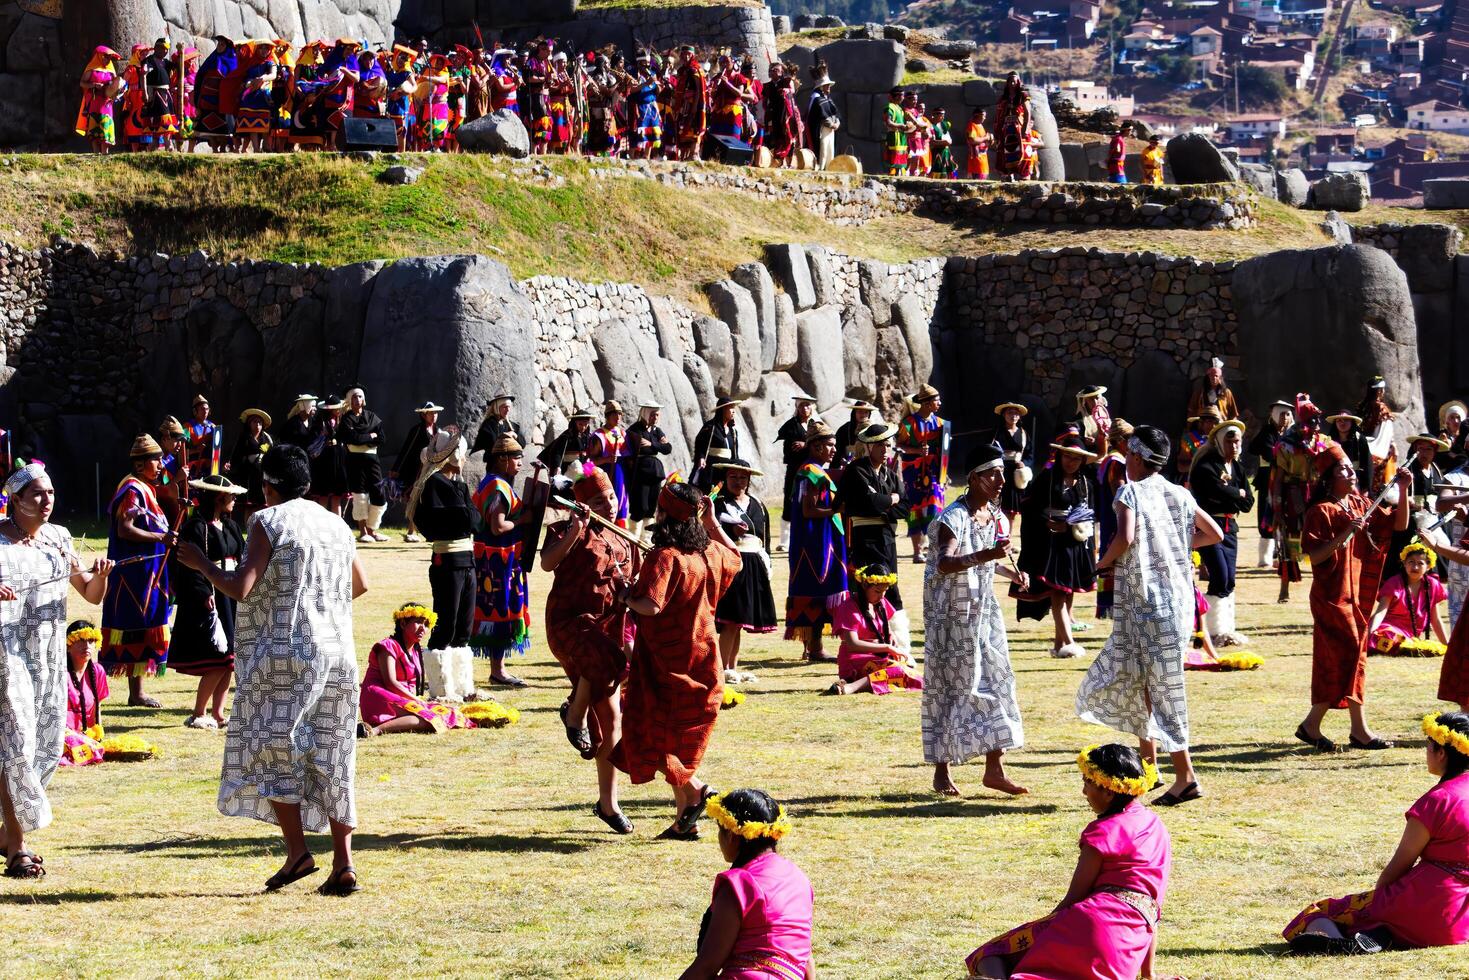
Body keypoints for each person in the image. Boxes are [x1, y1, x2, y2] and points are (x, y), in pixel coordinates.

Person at [178, 444, 366, 896]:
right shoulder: (336, 524)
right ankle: (344, 863)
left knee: (275, 747)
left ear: (269, 486)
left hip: (285, 656)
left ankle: (298, 851)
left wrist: (200, 564)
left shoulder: (268, 521)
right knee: (334, 751)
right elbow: (361, 584)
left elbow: (242, 587)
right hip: (338, 653)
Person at [1079, 426, 1223, 805]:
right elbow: (1214, 534)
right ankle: (1150, 766)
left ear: (1138, 458)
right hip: (1176, 603)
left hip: (1147, 604)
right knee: (1147, 683)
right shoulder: (1179, 493)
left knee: (1161, 689)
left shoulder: (1130, 492)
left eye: (1128, 454)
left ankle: (1186, 777)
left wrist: (1099, 566)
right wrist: (1171, 542)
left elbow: (1125, 538)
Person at [966, 744, 1170, 980]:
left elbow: (1074, 897)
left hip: (1089, 923)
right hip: (1129, 941)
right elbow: (1152, 908)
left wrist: (1046, 930)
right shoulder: (1155, 825)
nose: (1084, 792)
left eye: (1087, 783)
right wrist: (1148, 974)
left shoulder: (1101, 832)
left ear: (1109, 792)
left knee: (989, 954)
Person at [0, 463, 113, 877]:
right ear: (14, 500)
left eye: (50, 493)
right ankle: (18, 847)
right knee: (16, 746)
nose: (46, 501)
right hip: (7, 657)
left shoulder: (59, 539)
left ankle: (7, 835)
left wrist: (100, 576)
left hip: (48, 660)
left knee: (44, 746)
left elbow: (90, 593)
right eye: (36, 495)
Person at [1284, 710, 1469, 955]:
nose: (1426, 753)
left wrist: (1380, 897)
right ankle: (1380, 933)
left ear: (1442, 752)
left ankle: (1348, 938)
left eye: (1428, 746)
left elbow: (1401, 864)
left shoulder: (1436, 801)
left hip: (1428, 907)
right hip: (1462, 922)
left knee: (1320, 912)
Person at [617, 481, 740, 840]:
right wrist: (713, 522)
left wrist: (626, 596)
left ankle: (698, 790)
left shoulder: (666, 557)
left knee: (650, 738)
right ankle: (686, 821)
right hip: (703, 662)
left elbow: (651, 605)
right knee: (677, 742)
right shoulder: (710, 553)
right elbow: (737, 556)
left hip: (667, 667)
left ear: (664, 514)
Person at [923, 445, 1029, 797]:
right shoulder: (954, 516)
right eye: (992, 475)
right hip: (952, 618)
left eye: (1001, 474)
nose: (1000, 481)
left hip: (984, 613)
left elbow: (986, 561)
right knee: (953, 688)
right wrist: (988, 555)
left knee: (997, 680)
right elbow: (946, 562)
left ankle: (994, 769)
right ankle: (942, 769)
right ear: (973, 478)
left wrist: (1010, 573)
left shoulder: (996, 515)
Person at [1294, 444, 1412, 753]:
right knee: (1349, 654)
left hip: (1358, 596)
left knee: (1344, 659)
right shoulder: (1320, 511)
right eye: (1344, 469)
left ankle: (1318, 726)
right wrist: (1345, 533)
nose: (1351, 473)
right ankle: (1350, 729)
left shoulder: (1360, 503)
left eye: (1350, 468)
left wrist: (1403, 490)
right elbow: (1315, 557)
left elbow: (1398, 525)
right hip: (1331, 597)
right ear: (1330, 478)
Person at [540, 468, 639, 832]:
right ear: (581, 503)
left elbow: (632, 589)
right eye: (599, 501)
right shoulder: (564, 529)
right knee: (609, 660)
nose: (608, 505)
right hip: (569, 624)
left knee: (612, 719)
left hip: (608, 631)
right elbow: (548, 562)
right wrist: (577, 530)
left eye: (611, 497)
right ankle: (574, 714)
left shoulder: (624, 538)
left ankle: (608, 804)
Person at [678, 789, 813, 980]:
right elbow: (805, 956)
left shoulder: (739, 885)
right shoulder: (798, 878)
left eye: (720, 829)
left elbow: (707, 965)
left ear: (732, 836)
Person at [100, 434, 176, 706]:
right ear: (141, 464)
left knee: (143, 625)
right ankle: (137, 693)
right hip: (134, 574)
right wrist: (160, 539)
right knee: (135, 624)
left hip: (148, 572)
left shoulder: (145, 488)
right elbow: (125, 528)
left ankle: (137, 693)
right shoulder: (132, 489)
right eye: (156, 460)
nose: (160, 465)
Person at [168, 474, 246, 730]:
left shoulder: (231, 526)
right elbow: (186, 564)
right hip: (210, 596)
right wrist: (203, 592)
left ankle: (219, 713)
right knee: (217, 658)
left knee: (229, 660)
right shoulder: (196, 527)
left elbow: (243, 556)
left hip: (230, 593)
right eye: (230, 495)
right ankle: (199, 712)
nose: (234, 499)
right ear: (219, 497)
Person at [1017, 433, 1097, 659]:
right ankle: (1070, 643)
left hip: (1074, 544)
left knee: (1068, 592)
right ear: (1060, 456)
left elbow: (1090, 516)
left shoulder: (1086, 485)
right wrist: (1047, 523)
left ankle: (1058, 644)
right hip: (1049, 544)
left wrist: (1076, 533)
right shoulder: (1046, 479)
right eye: (1067, 456)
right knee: (1058, 593)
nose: (1071, 462)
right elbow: (1030, 507)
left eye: (1076, 458)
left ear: (1082, 461)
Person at [470, 435, 531, 687]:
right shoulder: (497, 486)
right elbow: (497, 526)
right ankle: (498, 670)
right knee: (500, 610)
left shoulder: (495, 482)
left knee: (500, 609)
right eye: (516, 458)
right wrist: (522, 521)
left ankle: (499, 669)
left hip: (498, 559)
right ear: (502, 459)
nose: (519, 462)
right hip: (498, 562)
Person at [357, 603, 471, 737]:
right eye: (418, 622)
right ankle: (375, 730)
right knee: (428, 718)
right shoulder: (387, 646)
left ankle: (384, 726)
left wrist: (417, 700)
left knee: (448, 713)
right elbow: (390, 683)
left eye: (426, 624)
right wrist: (417, 700)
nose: (423, 628)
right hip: (379, 695)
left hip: (401, 696)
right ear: (403, 624)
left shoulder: (416, 650)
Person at [785, 421, 847, 662]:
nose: (834, 450)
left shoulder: (811, 470)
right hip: (815, 542)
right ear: (816, 446)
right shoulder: (811, 471)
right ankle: (814, 648)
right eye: (830, 445)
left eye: (834, 445)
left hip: (818, 538)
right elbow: (809, 511)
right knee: (816, 587)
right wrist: (837, 509)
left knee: (817, 588)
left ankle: (813, 646)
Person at [1190, 419, 1255, 646]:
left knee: (1229, 580)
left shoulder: (1237, 467)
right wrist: (1237, 494)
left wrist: (1233, 494)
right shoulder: (1206, 464)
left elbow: (1249, 501)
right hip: (1209, 527)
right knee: (1219, 575)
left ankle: (1227, 630)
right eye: (1230, 441)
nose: (1235, 446)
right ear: (1218, 441)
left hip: (1230, 528)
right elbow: (1212, 489)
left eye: (1238, 442)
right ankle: (1211, 632)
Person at [711, 460, 776, 686]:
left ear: (749, 481)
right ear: (725, 479)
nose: (738, 482)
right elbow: (708, 529)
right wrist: (731, 530)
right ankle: (719, 668)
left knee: (738, 623)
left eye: (742, 478)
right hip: (731, 563)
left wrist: (766, 562)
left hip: (754, 563)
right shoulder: (717, 504)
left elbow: (764, 537)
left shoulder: (757, 504)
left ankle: (732, 667)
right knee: (730, 620)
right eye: (733, 477)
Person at [838, 422, 906, 623]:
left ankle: (894, 635)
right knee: (869, 583)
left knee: (891, 583)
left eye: (887, 445)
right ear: (869, 447)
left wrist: (884, 503)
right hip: (865, 536)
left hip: (887, 536)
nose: (885, 450)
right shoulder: (856, 470)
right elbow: (870, 502)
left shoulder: (890, 474)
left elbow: (905, 507)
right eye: (880, 445)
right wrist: (891, 499)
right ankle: (866, 632)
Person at [825, 563, 922, 697]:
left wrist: (891, 639)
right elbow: (853, 645)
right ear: (864, 586)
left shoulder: (881, 604)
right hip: (854, 660)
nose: (882, 596)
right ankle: (852, 686)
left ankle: (858, 684)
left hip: (879, 658)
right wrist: (887, 647)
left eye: (885, 591)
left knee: (912, 674)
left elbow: (886, 630)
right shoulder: (848, 607)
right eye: (877, 591)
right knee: (900, 671)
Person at [1272, 398, 1331, 602]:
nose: (1316, 423)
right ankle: (1284, 589)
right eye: (1312, 419)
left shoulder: (1324, 441)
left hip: (1317, 494)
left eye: (1318, 419)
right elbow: (1278, 479)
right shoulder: (1287, 444)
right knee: (1291, 543)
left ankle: (1322, 585)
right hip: (1293, 494)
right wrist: (1278, 508)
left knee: (1320, 540)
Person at [1368, 541, 1449, 656]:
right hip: (1388, 629)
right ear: (1404, 563)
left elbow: (1435, 619)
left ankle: (1407, 646)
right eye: (1411, 562)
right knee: (1386, 637)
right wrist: (1370, 632)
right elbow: (1380, 613)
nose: (1415, 567)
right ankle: (1405, 647)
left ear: (1428, 567)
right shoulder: (1394, 583)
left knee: (1401, 643)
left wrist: (1447, 645)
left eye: (1420, 563)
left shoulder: (1433, 584)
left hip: (1410, 635)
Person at [897, 384, 947, 564]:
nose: (939, 403)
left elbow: (944, 451)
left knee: (935, 507)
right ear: (926, 403)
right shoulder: (908, 424)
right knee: (915, 509)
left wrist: (944, 471)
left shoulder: (941, 424)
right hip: (913, 472)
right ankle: (917, 552)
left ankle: (934, 550)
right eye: (936, 400)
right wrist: (916, 451)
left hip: (934, 472)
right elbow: (898, 445)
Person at [1094, 418, 1133, 620]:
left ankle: (1111, 606)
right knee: (1115, 560)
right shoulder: (1116, 463)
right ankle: (1113, 606)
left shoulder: (1112, 460)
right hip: (1116, 521)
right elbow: (1120, 494)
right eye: (1130, 440)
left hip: (1111, 520)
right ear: (1121, 441)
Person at [338, 387, 388, 543]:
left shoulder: (372, 417)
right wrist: (369, 435)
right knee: (359, 494)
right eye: (354, 397)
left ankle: (373, 530)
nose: (357, 399)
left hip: (372, 459)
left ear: (363, 399)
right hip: (355, 459)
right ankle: (362, 531)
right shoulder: (346, 419)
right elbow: (352, 438)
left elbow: (381, 438)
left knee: (378, 493)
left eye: (359, 397)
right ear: (349, 400)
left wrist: (362, 436)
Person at [390, 400, 442, 543]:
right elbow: (406, 450)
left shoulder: (439, 431)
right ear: (424, 415)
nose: (434, 416)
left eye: (436, 413)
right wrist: (396, 469)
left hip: (433, 471)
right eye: (431, 413)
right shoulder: (417, 430)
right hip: (416, 470)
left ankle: (430, 531)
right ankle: (411, 531)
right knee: (414, 499)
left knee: (430, 499)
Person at [1250, 400, 1293, 569]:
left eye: (1288, 414)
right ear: (1274, 415)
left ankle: (1282, 555)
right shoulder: (1267, 432)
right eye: (1281, 414)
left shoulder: (1292, 433)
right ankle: (1265, 557)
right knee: (1265, 515)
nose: (1285, 418)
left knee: (1287, 516)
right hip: (1268, 479)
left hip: (1288, 481)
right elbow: (1265, 453)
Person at [62, 621, 108, 766]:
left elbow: (97, 707)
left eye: (91, 640)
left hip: (85, 735)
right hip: (61, 733)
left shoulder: (98, 671)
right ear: (68, 646)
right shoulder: (60, 673)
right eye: (81, 640)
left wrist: (98, 736)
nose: (87, 645)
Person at [626, 402, 673, 542]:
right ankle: (633, 539)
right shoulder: (635, 429)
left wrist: (652, 444)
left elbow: (668, 449)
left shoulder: (657, 431)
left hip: (655, 472)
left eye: (657, 415)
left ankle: (646, 540)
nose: (655, 417)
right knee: (640, 506)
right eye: (653, 414)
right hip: (641, 471)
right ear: (646, 414)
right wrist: (659, 445)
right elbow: (640, 447)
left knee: (652, 507)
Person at [777, 394, 817, 554]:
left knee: (812, 500)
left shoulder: (816, 425)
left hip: (812, 470)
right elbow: (788, 448)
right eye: (801, 406)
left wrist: (806, 445)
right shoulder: (790, 426)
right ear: (797, 408)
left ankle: (809, 537)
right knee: (790, 500)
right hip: (795, 469)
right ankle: (784, 542)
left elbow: (821, 442)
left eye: (807, 405)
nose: (804, 409)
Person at [77, 46, 125, 154]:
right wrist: (93, 85)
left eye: (109, 57)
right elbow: (82, 83)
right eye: (105, 57)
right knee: (94, 125)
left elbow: (115, 86)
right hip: (94, 100)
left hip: (106, 102)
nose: (107, 59)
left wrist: (117, 91)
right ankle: (95, 152)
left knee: (106, 125)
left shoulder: (111, 71)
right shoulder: (91, 69)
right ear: (99, 56)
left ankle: (105, 153)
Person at [229, 408, 273, 523]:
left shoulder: (266, 438)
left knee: (260, 505)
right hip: (247, 476)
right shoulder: (244, 438)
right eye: (254, 422)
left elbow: (270, 454)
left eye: (259, 422)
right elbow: (236, 456)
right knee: (249, 505)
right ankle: (248, 527)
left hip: (261, 476)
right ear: (249, 424)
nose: (257, 425)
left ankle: (258, 526)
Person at [310, 396, 350, 518]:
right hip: (325, 458)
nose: (338, 410)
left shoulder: (342, 420)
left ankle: (338, 525)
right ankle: (321, 524)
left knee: (337, 495)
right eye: (335, 408)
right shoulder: (320, 421)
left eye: (339, 408)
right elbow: (314, 437)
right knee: (324, 494)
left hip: (339, 457)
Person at [991, 403, 1032, 521]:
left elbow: (1030, 453)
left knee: (1012, 510)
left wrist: (1025, 463)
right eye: (1010, 413)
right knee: (997, 505)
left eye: (1016, 413)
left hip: (1017, 474)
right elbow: (990, 450)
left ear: (1019, 416)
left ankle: (1007, 535)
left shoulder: (1024, 433)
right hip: (1001, 471)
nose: (1013, 416)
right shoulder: (997, 432)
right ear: (1003, 415)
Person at [1359, 375, 1397, 497]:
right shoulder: (1382, 409)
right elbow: (1385, 435)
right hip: (1378, 452)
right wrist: (1392, 446)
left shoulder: (1361, 407)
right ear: (1380, 391)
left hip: (1361, 449)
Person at [692, 397, 741, 493]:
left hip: (727, 471)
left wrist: (736, 467)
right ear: (723, 410)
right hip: (711, 470)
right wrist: (701, 457)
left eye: (733, 408)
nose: (733, 411)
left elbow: (735, 453)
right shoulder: (710, 427)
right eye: (730, 408)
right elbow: (700, 444)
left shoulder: (733, 432)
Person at [994, 72, 1031, 181]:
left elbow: (1027, 112)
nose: (1012, 83)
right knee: (1007, 152)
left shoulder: (1023, 95)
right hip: (1006, 129)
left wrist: (1025, 128)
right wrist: (997, 130)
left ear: (1018, 82)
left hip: (1018, 127)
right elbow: (998, 115)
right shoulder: (1003, 98)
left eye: (1014, 81)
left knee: (1021, 150)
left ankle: (1023, 176)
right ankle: (1009, 175)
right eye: (1010, 81)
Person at [1326, 410, 1373, 496]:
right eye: (1339, 420)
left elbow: (1368, 465)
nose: (1342, 423)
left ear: (1352, 423)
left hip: (1356, 485)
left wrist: (1365, 488)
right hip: (1334, 485)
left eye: (1346, 420)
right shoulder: (1329, 441)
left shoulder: (1360, 440)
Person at [538, 408, 595, 477]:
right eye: (580, 424)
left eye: (586, 424)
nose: (583, 427)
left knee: (595, 474)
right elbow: (557, 452)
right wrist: (557, 467)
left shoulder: (588, 437)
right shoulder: (567, 436)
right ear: (575, 423)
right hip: (568, 469)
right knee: (579, 476)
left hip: (583, 466)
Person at [471, 394, 524, 459]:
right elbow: (492, 447)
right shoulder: (488, 426)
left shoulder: (513, 426)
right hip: (494, 464)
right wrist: (505, 437)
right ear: (497, 408)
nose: (508, 410)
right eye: (504, 407)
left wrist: (515, 435)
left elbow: (523, 444)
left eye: (509, 407)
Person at [1187, 357, 1240, 421]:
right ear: (1207, 377)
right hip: (1203, 426)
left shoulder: (1226, 393)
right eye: (1211, 375)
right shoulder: (1199, 392)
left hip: (1222, 425)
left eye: (1216, 376)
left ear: (1220, 378)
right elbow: (1191, 410)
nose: (1214, 378)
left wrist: (1233, 427)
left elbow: (1233, 414)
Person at [806, 70, 840, 170]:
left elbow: (836, 112)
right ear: (821, 87)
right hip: (822, 130)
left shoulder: (828, 99)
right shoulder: (817, 99)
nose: (829, 87)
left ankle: (828, 169)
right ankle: (820, 169)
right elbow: (820, 115)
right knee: (823, 150)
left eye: (829, 85)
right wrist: (831, 124)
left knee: (830, 150)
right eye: (827, 85)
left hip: (831, 129)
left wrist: (837, 122)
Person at [184, 394, 222, 477]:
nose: (205, 411)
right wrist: (196, 450)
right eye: (202, 409)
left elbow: (216, 451)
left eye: (207, 409)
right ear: (195, 411)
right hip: (192, 467)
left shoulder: (213, 427)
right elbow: (181, 451)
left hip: (209, 468)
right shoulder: (187, 427)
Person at [832, 399, 875, 470]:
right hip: (846, 467)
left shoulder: (873, 430)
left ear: (869, 414)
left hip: (867, 466)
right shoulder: (845, 429)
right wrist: (841, 460)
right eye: (860, 411)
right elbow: (837, 450)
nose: (863, 414)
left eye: (866, 412)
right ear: (854, 413)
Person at [1074, 384, 1111, 459]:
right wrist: (1083, 440)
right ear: (1085, 401)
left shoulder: (1103, 417)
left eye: (1097, 398)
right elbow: (1072, 439)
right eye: (1091, 399)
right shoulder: (1079, 421)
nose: (1095, 402)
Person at [882, 87, 910, 176]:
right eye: (902, 96)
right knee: (893, 157)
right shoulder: (889, 107)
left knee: (901, 156)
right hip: (893, 136)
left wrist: (906, 127)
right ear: (897, 96)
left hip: (901, 136)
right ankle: (892, 176)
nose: (903, 98)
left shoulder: (900, 109)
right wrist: (901, 126)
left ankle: (899, 176)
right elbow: (888, 122)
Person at [1439, 399, 1468, 472]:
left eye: (1458, 417)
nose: (1456, 421)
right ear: (1447, 420)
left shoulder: (1466, 438)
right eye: (1452, 417)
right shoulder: (1441, 435)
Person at [965, 105, 990, 179]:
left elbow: (983, 140)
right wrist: (986, 137)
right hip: (975, 159)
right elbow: (972, 140)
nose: (985, 118)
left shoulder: (981, 126)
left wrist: (990, 139)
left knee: (984, 178)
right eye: (983, 116)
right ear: (977, 115)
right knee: (977, 178)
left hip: (983, 157)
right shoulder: (971, 125)